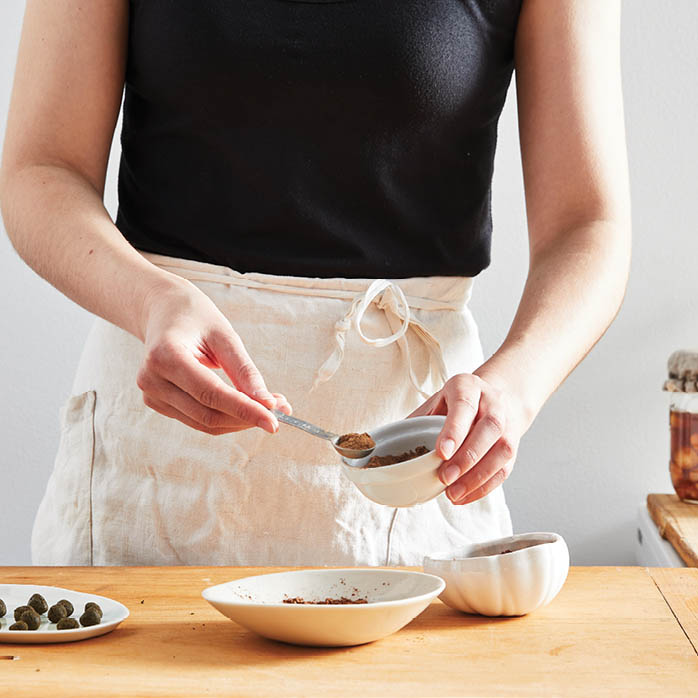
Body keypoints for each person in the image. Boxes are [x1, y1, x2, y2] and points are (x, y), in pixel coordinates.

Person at [0, 0, 630, 566]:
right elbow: (41, 169)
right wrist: (151, 299)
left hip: (411, 457)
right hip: (157, 446)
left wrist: (516, 384)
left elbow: (589, 224)